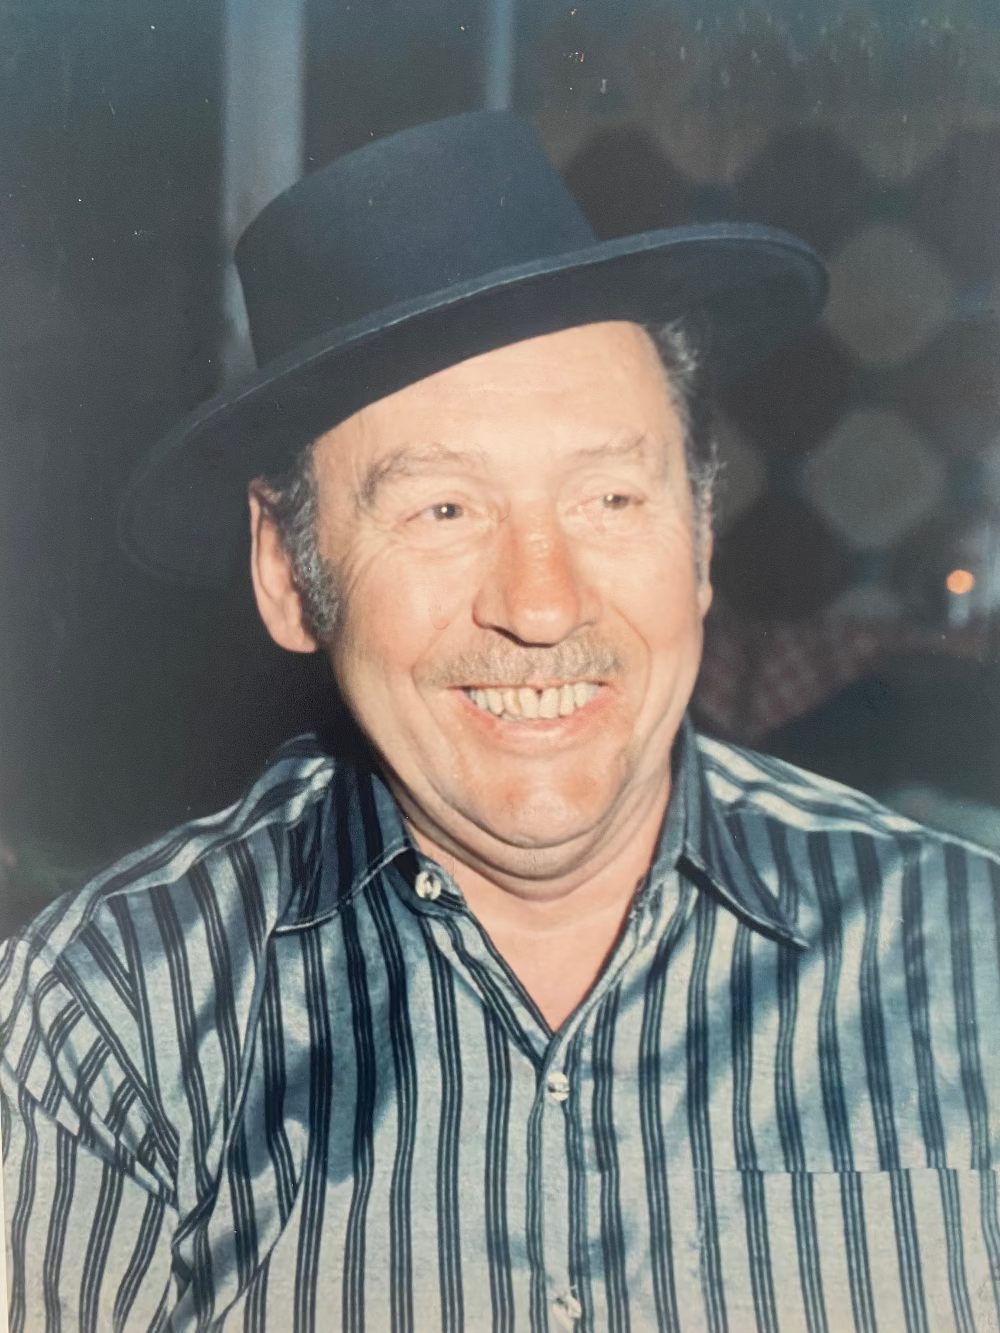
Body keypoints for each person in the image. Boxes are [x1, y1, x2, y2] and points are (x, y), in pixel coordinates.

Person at [2, 110, 998, 1333]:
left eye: (611, 495)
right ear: (284, 569)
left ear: (695, 536)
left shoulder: (965, 958)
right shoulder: (111, 1022)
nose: (540, 602)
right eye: (440, 511)